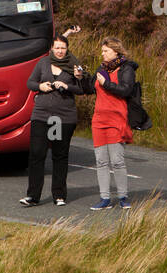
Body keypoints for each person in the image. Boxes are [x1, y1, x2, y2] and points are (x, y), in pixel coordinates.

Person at [20, 31, 92, 207]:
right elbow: (30, 83)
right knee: (37, 153)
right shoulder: (43, 63)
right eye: (57, 47)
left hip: (62, 117)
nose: (60, 51)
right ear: (51, 48)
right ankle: (33, 196)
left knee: (59, 155)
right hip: (42, 115)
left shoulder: (74, 65)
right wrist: (40, 86)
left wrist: (68, 85)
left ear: (67, 49)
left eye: (63, 48)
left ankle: (59, 195)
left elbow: (82, 89)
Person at [88, 37, 139, 211]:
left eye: (106, 51)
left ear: (116, 51)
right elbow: (88, 88)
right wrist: (81, 77)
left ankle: (123, 197)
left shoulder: (127, 68)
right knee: (101, 161)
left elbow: (126, 90)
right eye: (102, 51)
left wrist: (107, 84)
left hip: (117, 119)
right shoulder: (101, 69)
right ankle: (105, 199)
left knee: (117, 161)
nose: (102, 54)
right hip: (99, 120)